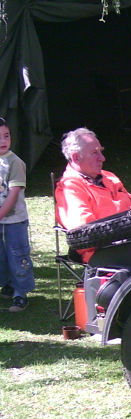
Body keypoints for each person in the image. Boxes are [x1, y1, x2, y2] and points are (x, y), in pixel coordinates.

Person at [55, 128, 131, 263]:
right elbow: (85, 232)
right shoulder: (70, 188)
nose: (102, 158)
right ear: (76, 157)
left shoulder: (109, 177)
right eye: (95, 153)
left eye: (101, 151)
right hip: (105, 253)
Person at [0, 117, 34, 312]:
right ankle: (8, 284)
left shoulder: (15, 163)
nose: (3, 141)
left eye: (6, 136)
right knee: (2, 256)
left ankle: (21, 294)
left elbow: (13, 195)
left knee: (17, 255)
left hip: (14, 221)